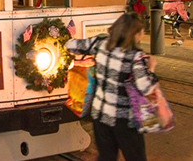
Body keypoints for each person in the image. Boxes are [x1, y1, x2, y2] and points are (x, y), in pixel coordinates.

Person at [65, 13, 158, 161]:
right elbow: (145, 87)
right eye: (141, 31)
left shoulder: (100, 43)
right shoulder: (135, 56)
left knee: (106, 157)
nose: (142, 35)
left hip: (100, 117)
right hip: (125, 120)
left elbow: (70, 45)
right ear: (133, 34)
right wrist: (151, 69)